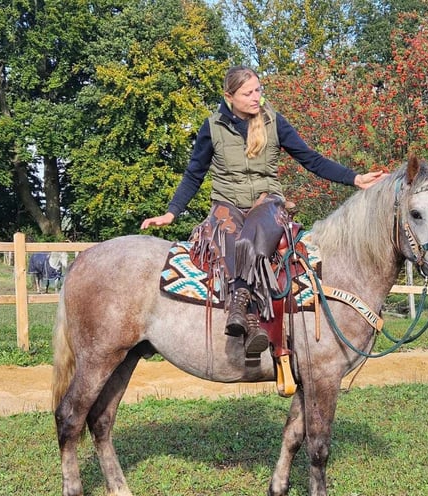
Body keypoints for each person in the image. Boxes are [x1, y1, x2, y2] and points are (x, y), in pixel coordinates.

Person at [141, 65, 386, 356]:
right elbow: (194, 173)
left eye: (258, 90)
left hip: (267, 203)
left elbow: (310, 159)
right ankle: (250, 321)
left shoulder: (273, 121)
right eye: (248, 93)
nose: (256, 97)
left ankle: (241, 309)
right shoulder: (213, 127)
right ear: (229, 96)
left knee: (250, 240)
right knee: (231, 241)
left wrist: (355, 178)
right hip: (226, 205)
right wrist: (172, 212)